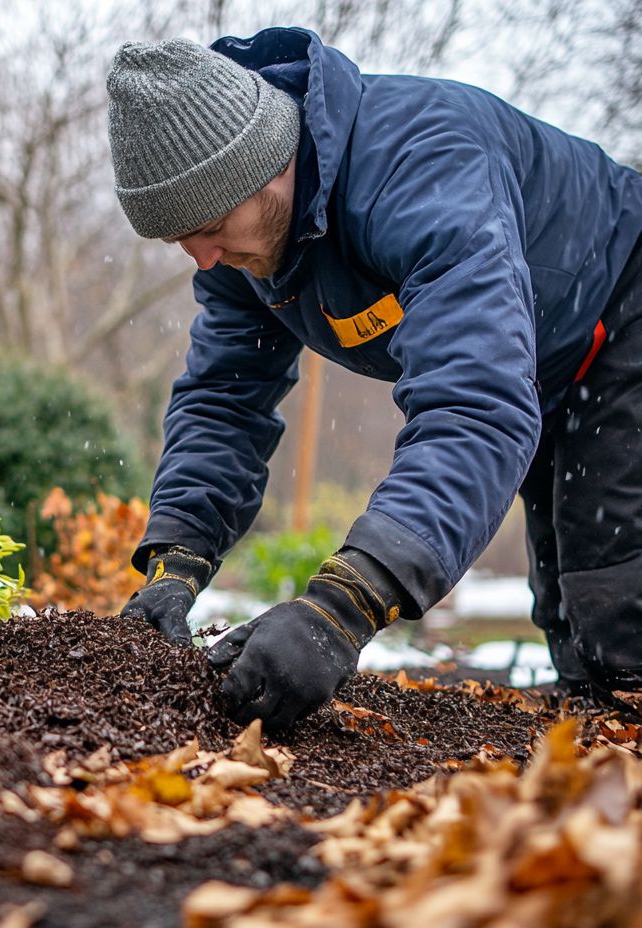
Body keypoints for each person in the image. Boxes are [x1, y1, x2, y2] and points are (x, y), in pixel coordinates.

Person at [108, 28, 642, 731]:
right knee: (572, 623)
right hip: (540, 355)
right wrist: (178, 557)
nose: (202, 259)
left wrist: (344, 605)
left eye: (207, 227)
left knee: (617, 605)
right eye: (180, 242)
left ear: (265, 167)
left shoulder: (423, 170)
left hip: (622, 307)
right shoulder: (244, 254)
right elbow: (223, 399)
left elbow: (475, 405)